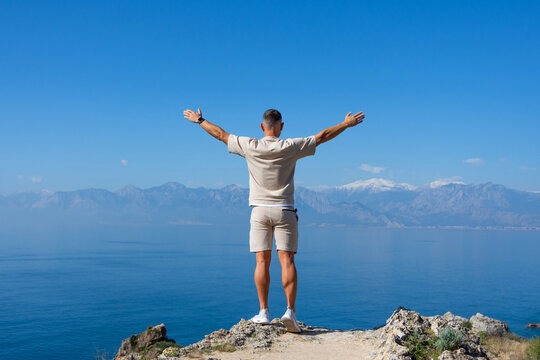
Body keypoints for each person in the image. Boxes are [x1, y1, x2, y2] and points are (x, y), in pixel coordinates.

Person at [183, 107, 365, 332]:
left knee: (261, 262)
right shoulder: (290, 146)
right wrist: (345, 125)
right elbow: (322, 136)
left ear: (262, 127)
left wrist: (199, 120)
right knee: (287, 261)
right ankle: (290, 311)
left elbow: (221, 134)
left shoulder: (250, 145)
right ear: (281, 127)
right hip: (285, 210)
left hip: (259, 211)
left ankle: (263, 312)